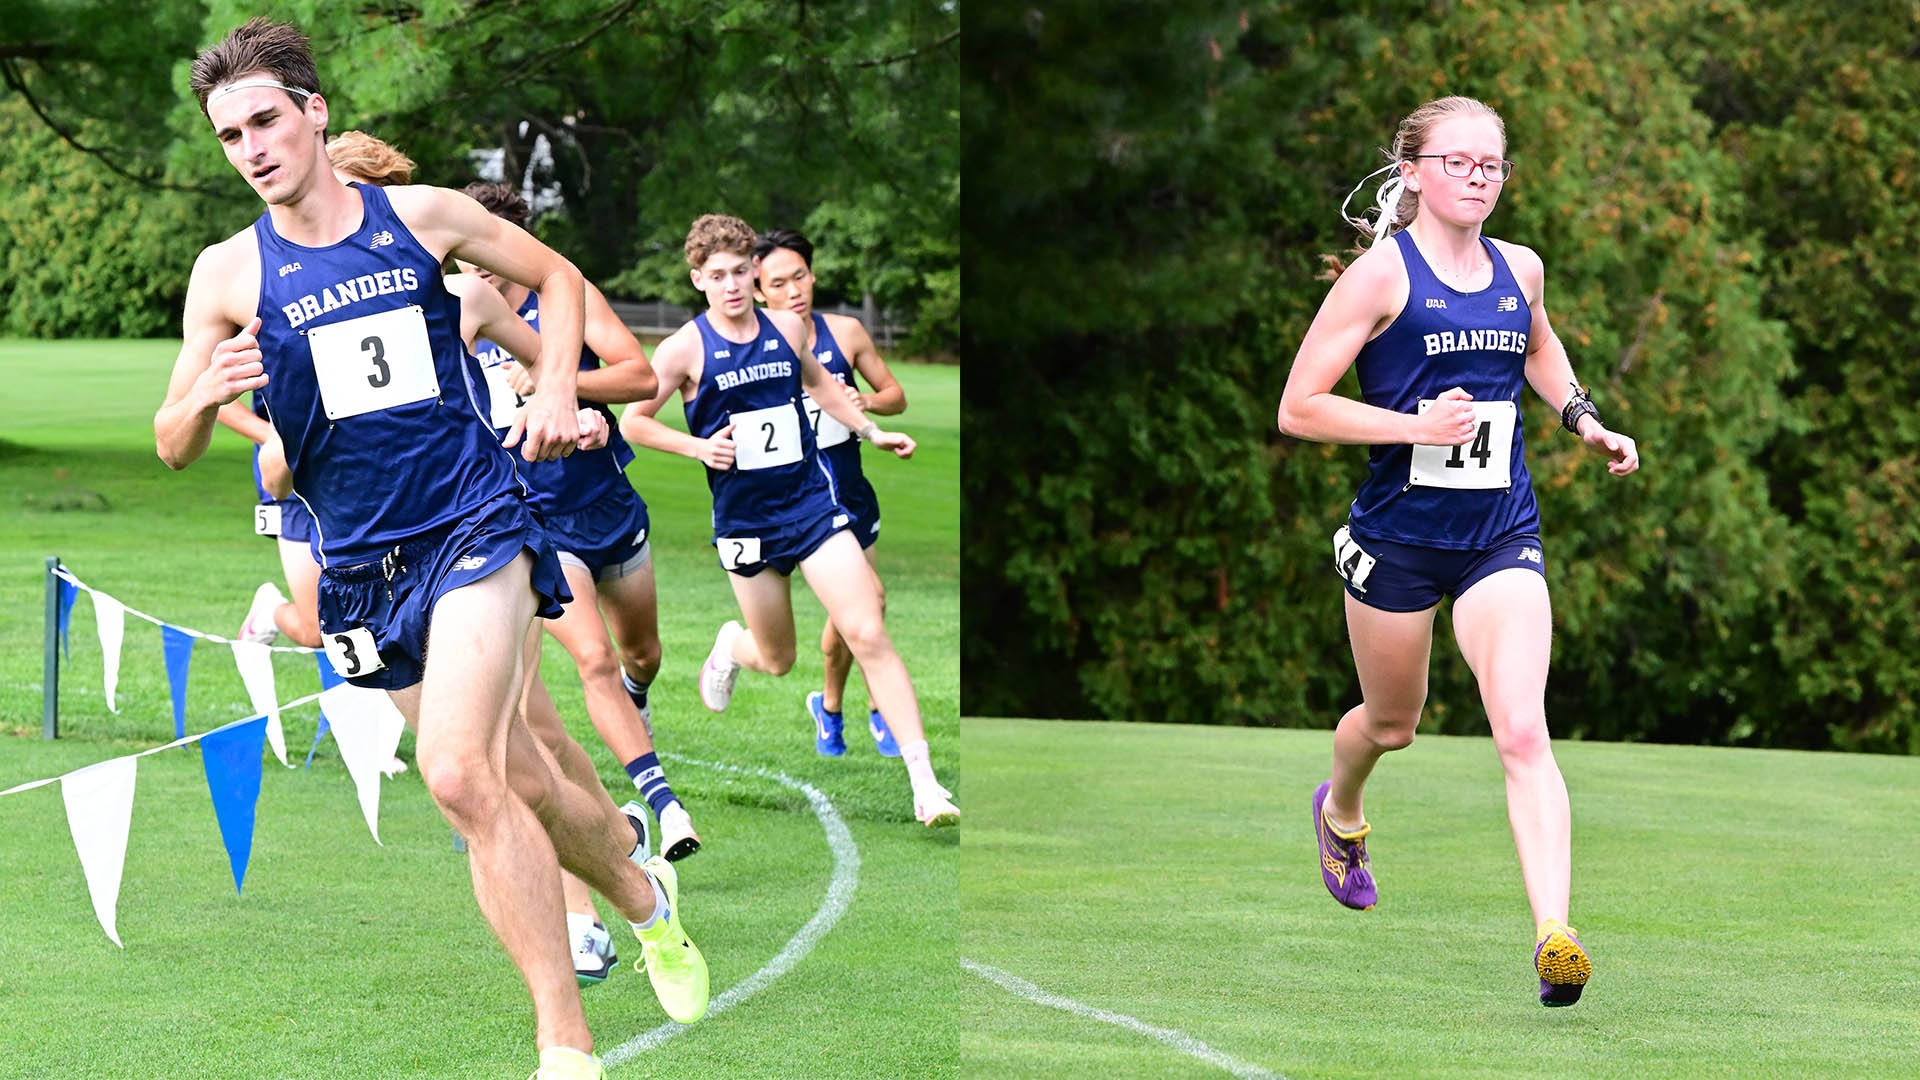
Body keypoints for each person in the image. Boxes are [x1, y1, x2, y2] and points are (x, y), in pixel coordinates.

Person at [154, 20, 705, 1079]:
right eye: (230, 134)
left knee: (456, 771)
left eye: (266, 119)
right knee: (519, 782)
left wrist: (550, 385)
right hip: (358, 567)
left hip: (472, 525)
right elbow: (172, 442)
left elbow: (560, 277)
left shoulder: (424, 218)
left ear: (315, 115)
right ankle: (642, 895)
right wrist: (208, 401)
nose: (252, 147)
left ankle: (565, 1046)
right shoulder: (227, 275)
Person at [1275, 96, 1639, 1008]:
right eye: (1461, 162)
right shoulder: (1377, 279)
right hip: (1396, 541)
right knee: (1391, 724)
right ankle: (1341, 810)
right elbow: (1299, 407)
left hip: (1498, 539)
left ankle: (1555, 936)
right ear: (1413, 173)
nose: (1480, 178)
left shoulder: (1521, 268)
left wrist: (1584, 419)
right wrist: (1412, 425)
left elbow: (1539, 352)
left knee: (1521, 727)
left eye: (1493, 165)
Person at [620, 213, 958, 827]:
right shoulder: (683, 349)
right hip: (747, 526)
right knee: (777, 659)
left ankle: (926, 785)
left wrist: (873, 432)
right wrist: (699, 448)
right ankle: (731, 646)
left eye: (739, 271)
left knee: (868, 629)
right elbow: (634, 421)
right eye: (716, 275)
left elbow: (827, 388)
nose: (730, 285)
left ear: (755, 272)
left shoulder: (785, 328)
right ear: (698, 279)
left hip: (812, 508)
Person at [457, 180, 700, 988]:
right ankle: (637, 839)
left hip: (604, 509)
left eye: (488, 262)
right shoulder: (444, 304)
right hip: (517, 528)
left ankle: (619, 827)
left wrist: (561, 390)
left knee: (638, 658)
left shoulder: (566, 293)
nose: (475, 275)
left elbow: (634, 379)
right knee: (564, 685)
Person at [753, 228, 910, 759]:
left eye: (800, 276)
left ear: (813, 275)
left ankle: (835, 706)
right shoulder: (755, 344)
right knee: (866, 604)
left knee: (865, 606)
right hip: (791, 497)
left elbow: (896, 397)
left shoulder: (845, 332)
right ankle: (853, 707)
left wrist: (861, 400)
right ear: (759, 291)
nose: (794, 289)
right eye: (779, 282)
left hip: (848, 487)